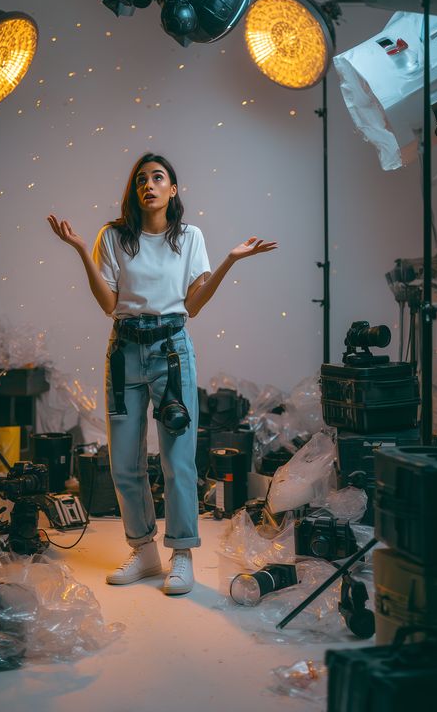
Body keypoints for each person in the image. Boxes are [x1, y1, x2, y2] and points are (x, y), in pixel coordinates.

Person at [47, 153, 276, 595]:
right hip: (124, 352)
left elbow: (192, 305)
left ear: (173, 190)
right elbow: (109, 305)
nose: (148, 185)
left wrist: (229, 260)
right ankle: (144, 551)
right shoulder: (113, 237)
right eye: (140, 180)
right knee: (124, 463)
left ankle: (182, 554)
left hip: (172, 351)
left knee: (178, 461)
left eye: (158, 178)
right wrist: (80, 249)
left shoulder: (189, 238)